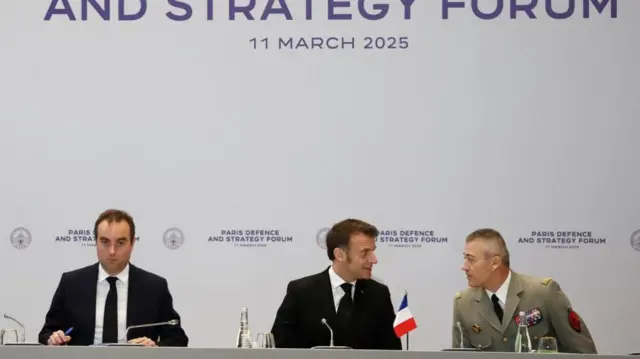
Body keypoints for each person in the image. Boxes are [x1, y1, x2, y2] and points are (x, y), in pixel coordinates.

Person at [38, 209, 188, 347]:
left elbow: (178, 339)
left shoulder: (154, 287)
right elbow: (46, 333)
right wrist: (53, 338)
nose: (112, 251)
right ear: (95, 242)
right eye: (105, 242)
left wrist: (155, 347)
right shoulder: (71, 283)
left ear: (132, 243)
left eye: (120, 243)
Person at [452, 228, 597, 353]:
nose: (464, 267)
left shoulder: (544, 293)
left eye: (471, 260)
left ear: (495, 262)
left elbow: (583, 353)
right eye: (465, 259)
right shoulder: (463, 304)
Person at [270, 219, 401, 350]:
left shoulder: (378, 294)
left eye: (373, 251)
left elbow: (392, 352)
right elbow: (279, 348)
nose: (374, 259)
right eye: (365, 253)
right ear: (340, 255)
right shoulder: (301, 292)